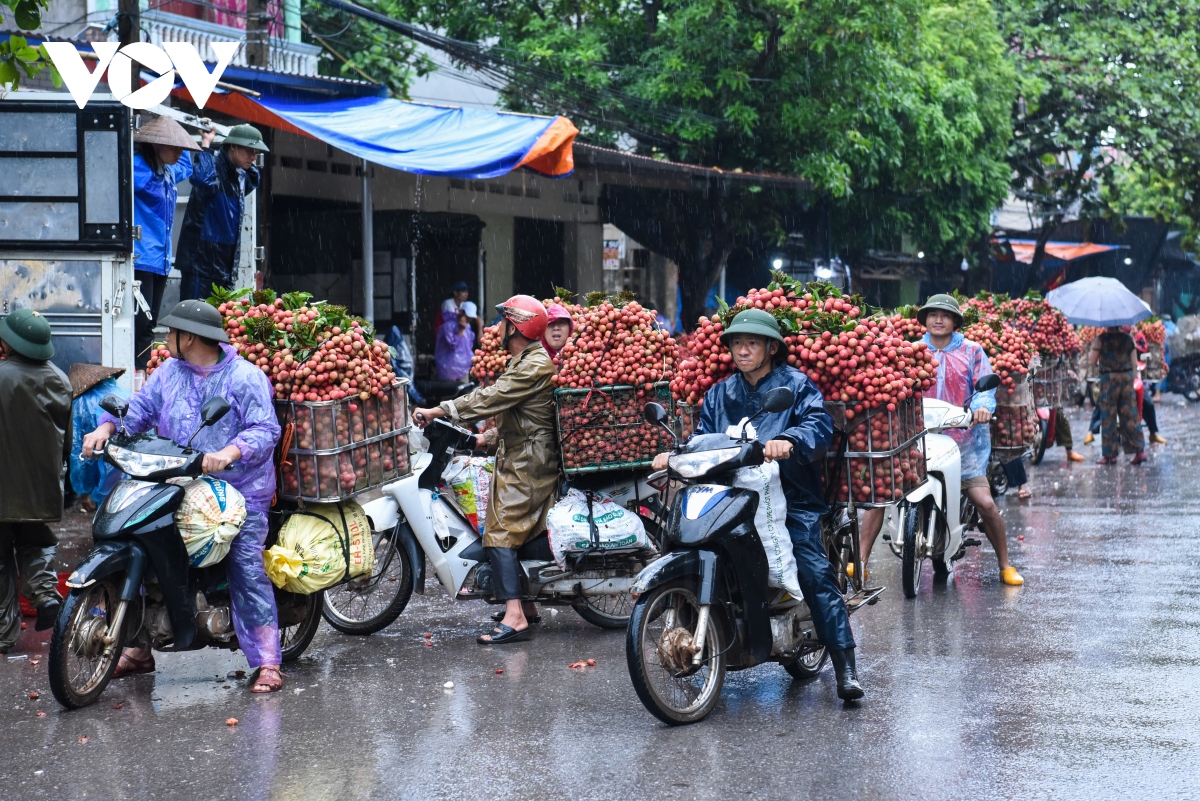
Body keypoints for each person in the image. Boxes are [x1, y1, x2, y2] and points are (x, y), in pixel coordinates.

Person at [652, 309, 864, 701]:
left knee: (814, 571)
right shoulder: (720, 393)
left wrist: (790, 439)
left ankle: (845, 666)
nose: (743, 350)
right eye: (736, 343)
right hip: (732, 494)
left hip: (794, 498)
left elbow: (818, 426)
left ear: (771, 347)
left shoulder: (797, 386)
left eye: (751, 343)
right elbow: (704, 438)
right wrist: (675, 453)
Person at [81, 300, 284, 691]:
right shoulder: (169, 372)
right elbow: (139, 409)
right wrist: (107, 427)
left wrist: (228, 453)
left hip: (239, 491)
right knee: (137, 541)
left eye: (170, 333)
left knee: (245, 566)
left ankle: (268, 661)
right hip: (178, 481)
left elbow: (264, 429)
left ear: (187, 337)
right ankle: (139, 650)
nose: (166, 339)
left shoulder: (246, 377)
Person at [412, 295, 557, 645]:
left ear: (517, 325)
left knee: (501, 529)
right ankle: (528, 604)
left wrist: (439, 410)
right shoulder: (524, 360)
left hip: (530, 462)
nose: (497, 329)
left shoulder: (534, 364)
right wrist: (483, 440)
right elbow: (518, 417)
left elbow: (490, 398)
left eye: (503, 322)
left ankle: (515, 616)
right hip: (520, 452)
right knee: (520, 530)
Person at [858, 295, 1024, 587]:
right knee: (880, 496)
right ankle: (859, 563)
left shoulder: (973, 352)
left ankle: (1005, 564)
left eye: (945, 315)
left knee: (984, 502)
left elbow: (984, 388)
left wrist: (982, 408)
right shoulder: (910, 351)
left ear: (955, 322)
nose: (938, 320)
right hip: (915, 438)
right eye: (932, 314)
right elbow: (891, 384)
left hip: (965, 442)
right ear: (924, 320)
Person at [0, 309, 71, 651]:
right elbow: (65, 442)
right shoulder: (60, 379)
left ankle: (3, 634)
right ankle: (45, 597)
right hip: (41, 487)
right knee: (34, 542)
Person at [132, 116, 200, 362]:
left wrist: (194, 138)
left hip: (159, 259)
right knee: (139, 326)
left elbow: (187, 167)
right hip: (140, 257)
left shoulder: (168, 169)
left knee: (149, 325)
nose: (178, 152)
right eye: (173, 146)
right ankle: (135, 377)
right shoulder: (137, 166)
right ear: (155, 145)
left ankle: (140, 377)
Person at [175, 124, 268, 301]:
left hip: (224, 268)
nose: (252, 157)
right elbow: (202, 178)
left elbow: (255, 178)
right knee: (193, 320)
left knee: (218, 322)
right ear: (233, 146)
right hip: (200, 264)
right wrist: (206, 144)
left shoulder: (240, 175)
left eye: (255, 152)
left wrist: (237, 133)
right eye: (249, 150)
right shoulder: (215, 166)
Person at [67, 363, 128, 513]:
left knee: (107, 519)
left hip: (107, 482)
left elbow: (80, 454)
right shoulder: (126, 395)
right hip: (136, 479)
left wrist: (84, 491)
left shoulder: (80, 404)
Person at [1089, 326, 1147, 465]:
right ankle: (1139, 451)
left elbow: (1091, 361)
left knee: (1108, 417)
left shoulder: (1101, 339)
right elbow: (1134, 363)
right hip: (1126, 379)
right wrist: (1131, 378)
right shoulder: (1129, 339)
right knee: (1130, 415)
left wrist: (1095, 347)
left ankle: (1110, 455)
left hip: (1109, 380)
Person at [434, 307, 476, 382]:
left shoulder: (468, 327)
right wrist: (461, 329)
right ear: (462, 313)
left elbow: (469, 346)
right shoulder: (448, 326)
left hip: (464, 369)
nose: (469, 320)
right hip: (448, 369)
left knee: (465, 391)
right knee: (450, 392)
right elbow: (453, 344)